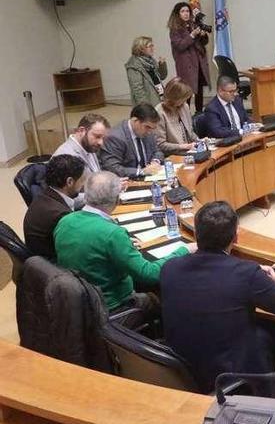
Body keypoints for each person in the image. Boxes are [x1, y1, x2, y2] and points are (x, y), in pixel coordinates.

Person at [161, 201, 275, 395]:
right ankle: (267, 391)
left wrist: (246, 269)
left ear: (196, 235)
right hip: (227, 370)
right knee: (270, 329)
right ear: (235, 238)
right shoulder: (246, 274)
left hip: (182, 367)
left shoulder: (170, 267)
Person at [54, 171, 194, 322]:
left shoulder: (65, 221)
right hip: (113, 306)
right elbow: (149, 274)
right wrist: (184, 250)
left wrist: (122, 246)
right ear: (117, 199)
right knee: (164, 297)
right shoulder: (113, 234)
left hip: (81, 302)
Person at [23, 155, 85, 259]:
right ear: (69, 182)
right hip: (54, 265)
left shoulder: (46, 194)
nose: (83, 185)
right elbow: (78, 247)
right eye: (81, 180)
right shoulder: (61, 215)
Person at [99, 103, 164, 178]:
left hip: (150, 177)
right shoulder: (115, 137)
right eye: (147, 127)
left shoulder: (148, 131)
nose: (150, 132)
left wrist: (155, 162)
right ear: (135, 120)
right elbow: (113, 168)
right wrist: (142, 171)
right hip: (128, 181)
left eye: (153, 128)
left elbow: (157, 150)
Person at [168, 2, 210, 112]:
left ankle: (199, 113)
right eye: (183, 11)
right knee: (186, 91)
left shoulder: (193, 24)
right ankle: (184, 114)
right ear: (177, 14)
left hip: (198, 62)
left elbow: (203, 43)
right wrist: (192, 35)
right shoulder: (174, 29)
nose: (186, 14)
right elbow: (180, 46)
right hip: (186, 65)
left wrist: (203, 35)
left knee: (199, 90)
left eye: (187, 11)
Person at [155, 77, 198, 155]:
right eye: (183, 98)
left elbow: (190, 133)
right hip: (174, 154)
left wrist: (200, 141)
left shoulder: (184, 107)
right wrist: (182, 146)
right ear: (175, 97)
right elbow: (160, 144)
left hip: (190, 151)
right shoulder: (160, 112)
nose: (185, 101)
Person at [125, 36, 168, 106]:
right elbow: (138, 91)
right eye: (150, 46)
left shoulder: (151, 60)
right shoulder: (133, 66)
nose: (153, 48)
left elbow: (162, 77)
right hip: (149, 103)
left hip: (159, 97)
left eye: (153, 45)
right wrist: (146, 107)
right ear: (141, 49)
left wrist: (162, 65)